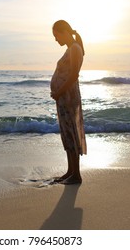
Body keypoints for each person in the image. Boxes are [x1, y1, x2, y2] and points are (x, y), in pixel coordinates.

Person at [50, 20, 87, 184]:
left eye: (56, 35)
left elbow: (73, 76)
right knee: (66, 132)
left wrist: (59, 91)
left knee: (70, 131)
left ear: (63, 31)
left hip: (68, 96)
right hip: (64, 96)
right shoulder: (71, 49)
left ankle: (76, 174)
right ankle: (70, 171)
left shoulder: (75, 49)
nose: (56, 39)